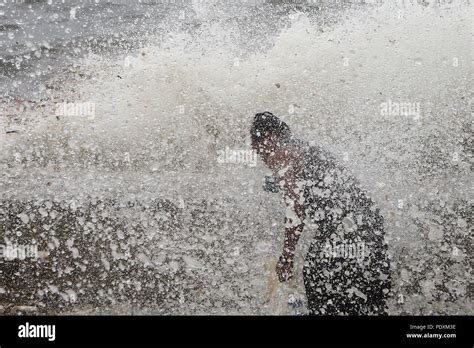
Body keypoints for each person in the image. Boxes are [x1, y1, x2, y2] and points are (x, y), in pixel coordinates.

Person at [250, 111, 391, 315]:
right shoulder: (303, 148)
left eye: (256, 144)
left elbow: (295, 208)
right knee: (368, 300)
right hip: (369, 225)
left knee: (317, 276)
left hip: (346, 226)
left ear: (269, 137)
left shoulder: (282, 153)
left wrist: (287, 256)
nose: (256, 151)